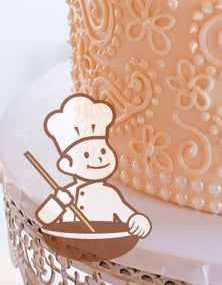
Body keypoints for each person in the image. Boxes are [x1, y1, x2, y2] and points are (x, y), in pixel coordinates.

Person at [36, 93, 151, 238]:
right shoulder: (69, 194)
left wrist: (138, 221)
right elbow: (44, 217)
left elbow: (129, 216)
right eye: (86, 154)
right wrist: (59, 201)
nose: (99, 158)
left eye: (103, 151)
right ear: (68, 164)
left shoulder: (109, 195)